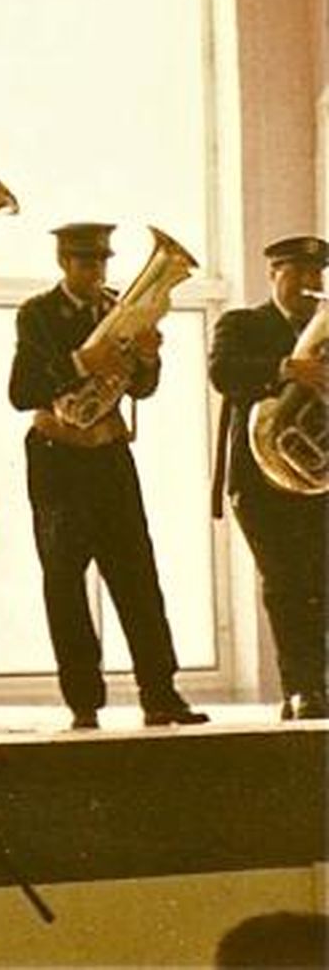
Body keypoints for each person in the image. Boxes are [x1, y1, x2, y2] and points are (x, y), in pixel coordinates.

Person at [9, 222, 207, 728]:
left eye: (100, 263)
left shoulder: (117, 308)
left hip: (109, 454)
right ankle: (83, 701)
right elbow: (22, 390)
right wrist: (81, 360)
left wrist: (147, 359)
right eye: (84, 263)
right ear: (64, 264)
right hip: (57, 454)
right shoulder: (37, 314)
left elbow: (140, 389)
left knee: (137, 572)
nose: (95, 272)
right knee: (64, 579)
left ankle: (160, 691)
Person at [210, 234, 328, 720]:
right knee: (285, 581)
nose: (308, 283)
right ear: (273, 273)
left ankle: (320, 683)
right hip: (260, 478)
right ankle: (299, 688)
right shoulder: (243, 324)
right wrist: (287, 369)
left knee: (322, 579)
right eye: (297, 273)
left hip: (316, 477)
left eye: (316, 274)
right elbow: (223, 372)